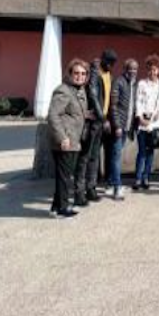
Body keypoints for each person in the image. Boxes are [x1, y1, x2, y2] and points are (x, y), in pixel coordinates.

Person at [47, 58, 89, 218]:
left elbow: (72, 112)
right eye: (76, 73)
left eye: (83, 74)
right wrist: (62, 137)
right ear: (70, 74)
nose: (80, 76)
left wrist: (86, 115)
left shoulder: (78, 90)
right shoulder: (63, 90)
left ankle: (56, 207)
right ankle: (63, 208)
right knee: (65, 177)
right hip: (65, 141)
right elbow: (52, 115)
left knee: (63, 176)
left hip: (73, 140)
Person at [74, 49, 116, 206]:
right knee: (84, 158)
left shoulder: (108, 76)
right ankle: (79, 193)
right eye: (109, 62)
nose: (111, 66)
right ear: (103, 60)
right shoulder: (94, 74)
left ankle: (91, 188)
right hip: (93, 121)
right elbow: (93, 96)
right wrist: (102, 118)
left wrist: (107, 119)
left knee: (94, 157)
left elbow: (107, 99)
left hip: (101, 122)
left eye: (113, 64)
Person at [133, 54, 159, 190]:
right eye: (150, 69)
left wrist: (154, 118)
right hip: (143, 121)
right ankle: (138, 178)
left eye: (155, 69)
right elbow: (138, 101)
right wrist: (140, 118)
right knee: (141, 151)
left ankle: (146, 177)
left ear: (158, 70)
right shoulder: (142, 84)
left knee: (150, 151)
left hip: (154, 121)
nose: (153, 72)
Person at [108, 58, 139, 200]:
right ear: (125, 69)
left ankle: (111, 182)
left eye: (135, 69)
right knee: (116, 156)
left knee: (116, 154)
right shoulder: (119, 82)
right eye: (131, 68)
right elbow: (113, 106)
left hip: (127, 126)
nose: (133, 71)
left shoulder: (134, 84)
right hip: (119, 126)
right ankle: (116, 187)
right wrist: (117, 125)